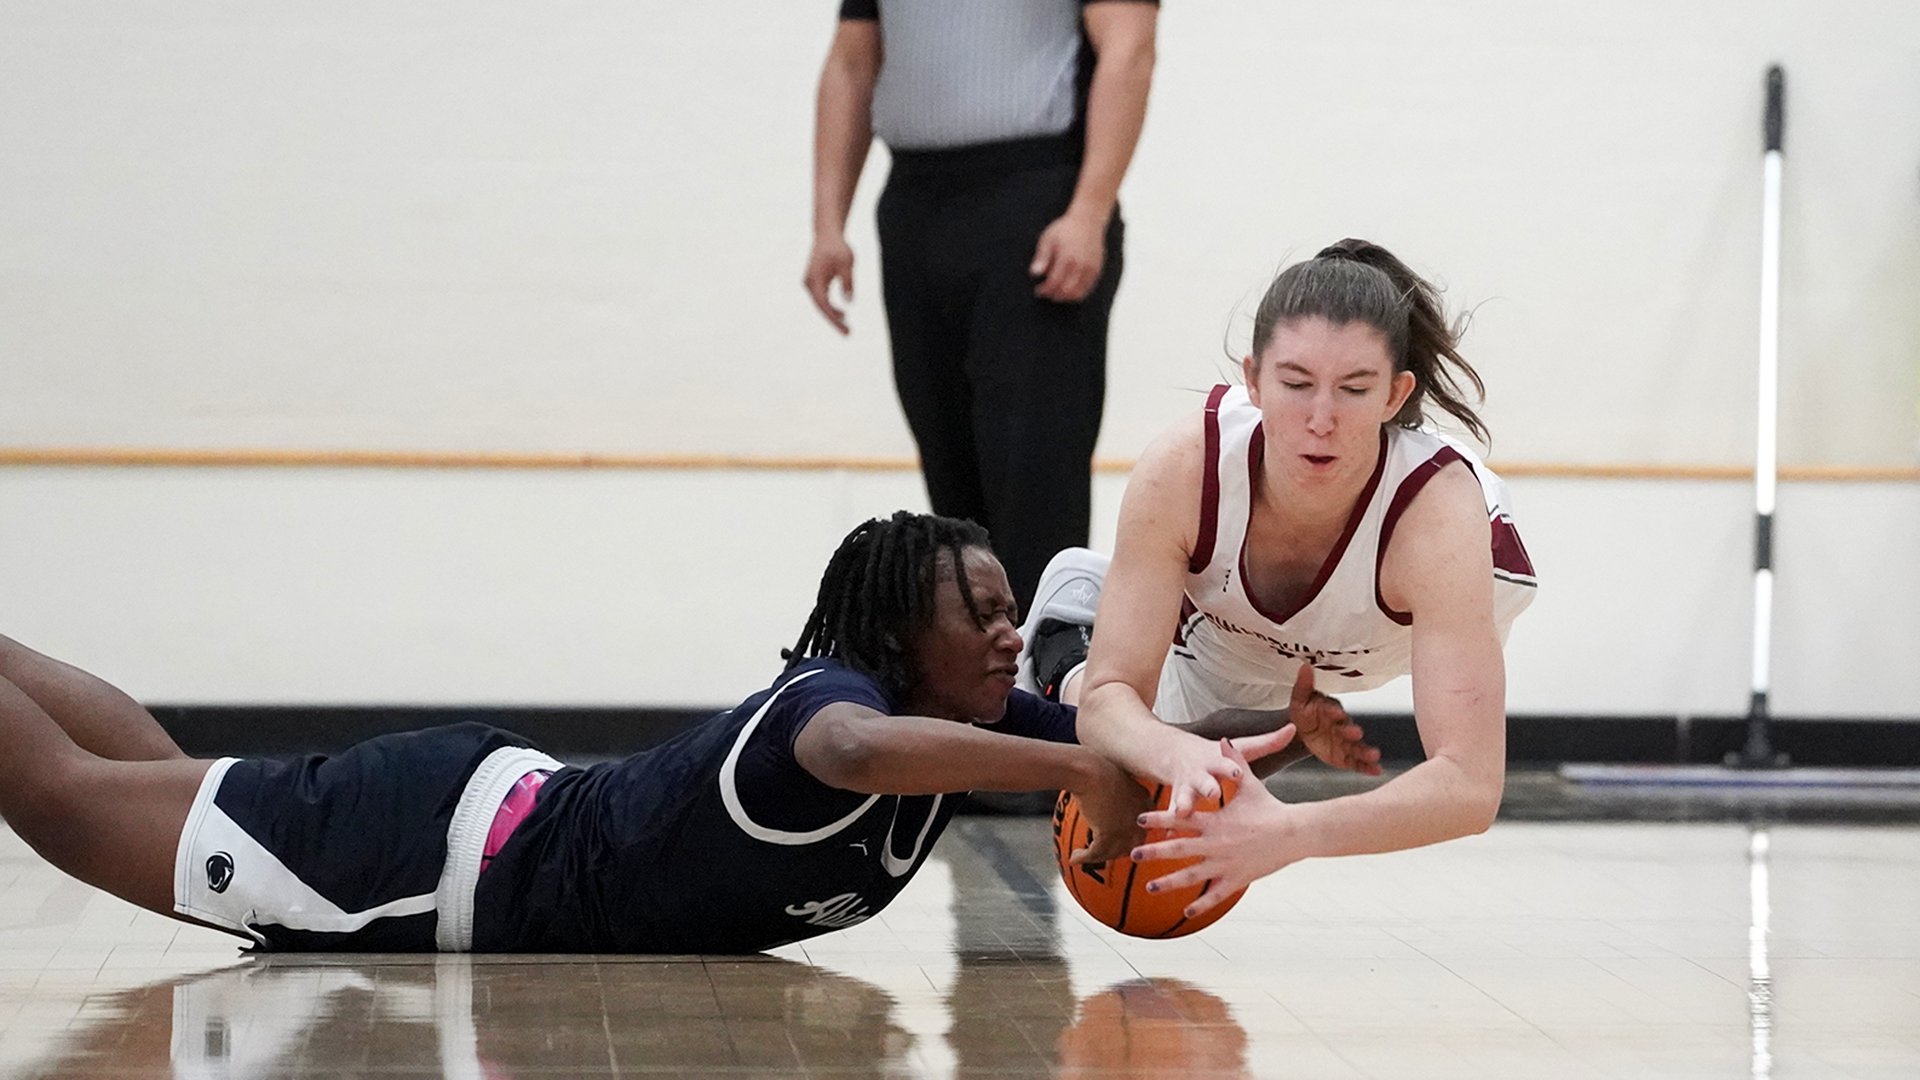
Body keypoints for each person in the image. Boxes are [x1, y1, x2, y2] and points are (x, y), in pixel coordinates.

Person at [0, 512, 1300, 953]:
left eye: (1019, 611)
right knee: (64, 800)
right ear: (902, 638)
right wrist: (1080, 762)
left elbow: (1144, 732)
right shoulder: (829, 711)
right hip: (431, 868)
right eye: (985, 615)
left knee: (148, 778)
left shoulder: (962, 713)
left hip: (480, 811)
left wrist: (1285, 726)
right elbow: (855, 760)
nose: (1015, 638)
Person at [1027, 239, 1538, 916]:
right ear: (1254, 379)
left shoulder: (1440, 520)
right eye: (1295, 383)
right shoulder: (1185, 468)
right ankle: (1070, 638)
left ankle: (1245, 722)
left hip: (1393, 629)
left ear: (1396, 393)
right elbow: (1110, 702)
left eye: (1354, 390)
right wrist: (1170, 750)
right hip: (1231, 632)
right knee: (1129, 754)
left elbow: (1472, 787)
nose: (1321, 418)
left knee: (1172, 757)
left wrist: (1292, 832)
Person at [802, 0, 1158, 615]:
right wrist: (827, 224)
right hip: (916, 202)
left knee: (1033, 476)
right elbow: (852, 62)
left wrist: (1088, 210)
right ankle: (969, 687)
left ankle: (1041, 684)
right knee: (949, 477)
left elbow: (1129, 50)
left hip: (1036, 196)